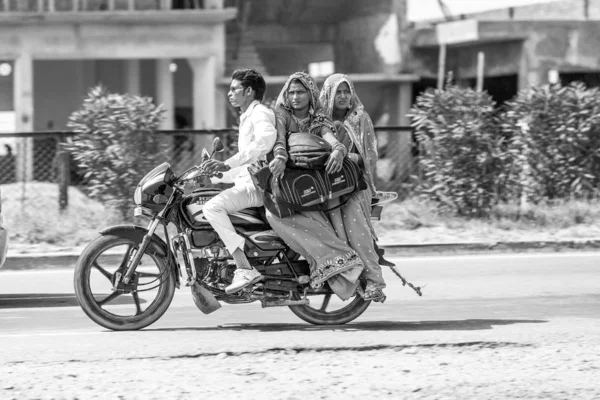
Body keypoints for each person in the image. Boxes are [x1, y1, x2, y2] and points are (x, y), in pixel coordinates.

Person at [265, 71, 367, 301]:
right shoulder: (281, 114)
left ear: (311, 95)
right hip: (288, 179)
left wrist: (339, 151)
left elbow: (330, 138)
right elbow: (279, 139)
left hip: (313, 184)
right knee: (274, 216)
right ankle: (328, 261)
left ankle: (341, 262)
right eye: (291, 92)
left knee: (305, 219)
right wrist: (280, 158)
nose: (295, 97)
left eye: (300, 92)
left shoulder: (318, 117)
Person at [202, 68, 277, 294]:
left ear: (249, 91)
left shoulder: (259, 113)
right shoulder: (246, 117)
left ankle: (244, 267)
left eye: (234, 89)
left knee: (212, 207)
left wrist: (228, 163)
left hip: (258, 187)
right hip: (249, 182)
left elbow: (265, 140)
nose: (229, 93)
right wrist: (218, 175)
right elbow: (245, 166)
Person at [318, 73, 387, 302]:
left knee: (354, 224)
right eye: (338, 91)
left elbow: (369, 157)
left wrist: (345, 156)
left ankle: (375, 281)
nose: (344, 96)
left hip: (355, 185)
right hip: (326, 186)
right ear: (328, 94)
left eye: (347, 91)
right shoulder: (319, 121)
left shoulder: (360, 118)